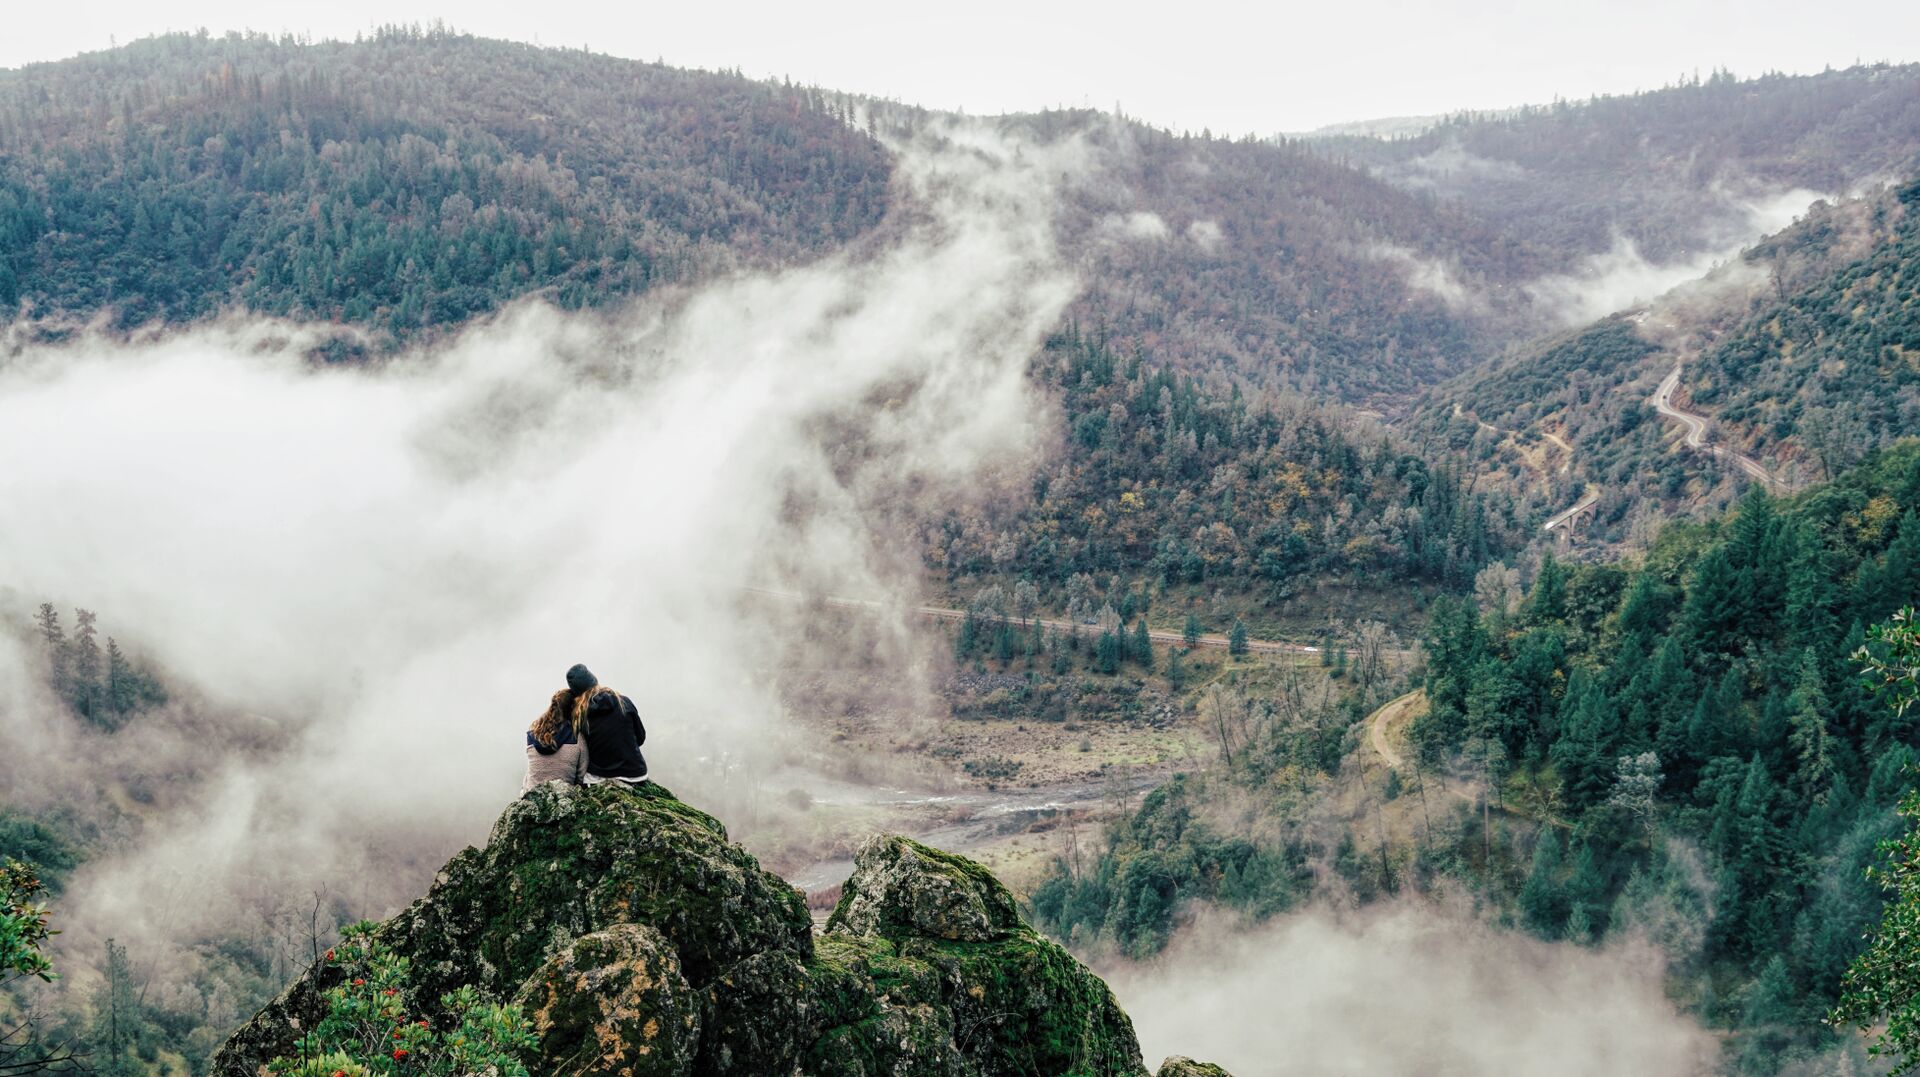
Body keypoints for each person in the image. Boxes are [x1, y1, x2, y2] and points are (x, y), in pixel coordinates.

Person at [570, 663, 649, 787]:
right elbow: (640, 738)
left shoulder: (578, 715)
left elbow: (583, 753)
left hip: (599, 778)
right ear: (595, 682)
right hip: (634, 774)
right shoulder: (624, 702)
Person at [521, 673, 591, 792]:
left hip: (532, 795)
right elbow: (581, 777)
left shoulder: (533, 734)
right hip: (563, 798)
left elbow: (532, 772)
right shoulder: (577, 737)